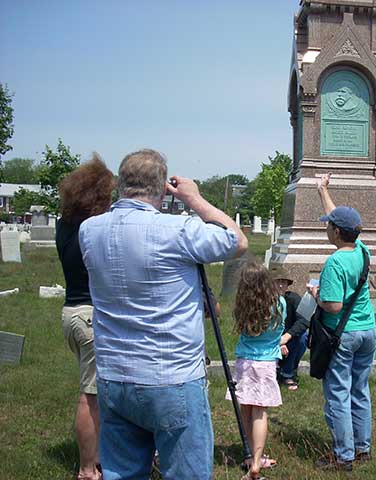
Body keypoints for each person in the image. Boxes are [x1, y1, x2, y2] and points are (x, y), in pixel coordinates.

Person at [79, 149, 248, 480]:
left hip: (114, 374)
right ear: (161, 187)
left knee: (123, 473)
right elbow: (237, 241)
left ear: (120, 185)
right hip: (171, 375)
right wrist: (195, 200)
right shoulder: (178, 230)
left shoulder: (89, 230)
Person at [309, 173, 376, 472]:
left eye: (329, 225)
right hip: (367, 330)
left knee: (338, 392)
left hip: (342, 334)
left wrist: (316, 294)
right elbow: (342, 219)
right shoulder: (362, 250)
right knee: (359, 389)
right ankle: (362, 448)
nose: (327, 228)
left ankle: (343, 456)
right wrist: (323, 190)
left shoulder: (335, 262)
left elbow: (333, 305)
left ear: (336, 232)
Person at [57, 154, 115, 480]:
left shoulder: (63, 226)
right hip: (91, 314)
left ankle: (100, 457)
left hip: (70, 312)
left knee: (96, 392)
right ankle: (87, 468)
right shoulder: (92, 229)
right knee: (90, 396)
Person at [228, 261, 285, 480]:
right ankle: (257, 462)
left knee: (246, 408)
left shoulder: (242, 305)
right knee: (260, 412)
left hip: (245, 361)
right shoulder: (280, 303)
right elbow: (280, 328)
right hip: (267, 362)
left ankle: (250, 454)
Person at [270, 265, 309, 391]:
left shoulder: (293, 298)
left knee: (303, 336)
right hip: (267, 340)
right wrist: (278, 342)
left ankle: (288, 373)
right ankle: (272, 372)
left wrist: (287, 337)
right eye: (277, 282)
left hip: (288, 340)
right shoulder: (263, 301)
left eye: (284, 282)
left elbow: (304, 320)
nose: (281, 286)